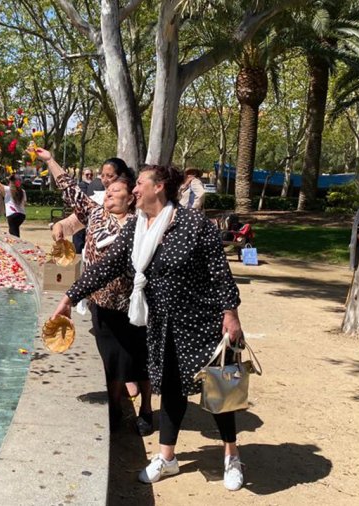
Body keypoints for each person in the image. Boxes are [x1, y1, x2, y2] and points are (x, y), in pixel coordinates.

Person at [51, 165, 247, 491]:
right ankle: (167, 457)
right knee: (171, 389)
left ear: (159, 188)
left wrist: (231, 314)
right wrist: (71, 298)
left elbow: (220, 274)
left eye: (140, 183)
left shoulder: (193, 224)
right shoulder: (138, 228)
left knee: (218, 388)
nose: (134, 189)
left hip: (201, 320)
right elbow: (109, 265)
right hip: (162, 323)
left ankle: (231, 455)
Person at [36, 147, 153, 434]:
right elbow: (70, 189)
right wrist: (51, 160)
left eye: (115, 190)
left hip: (137, 304)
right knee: (111, 360)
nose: (108, 193)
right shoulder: (94, 213)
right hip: (101, 302)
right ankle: (114, 411)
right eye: (107, 189)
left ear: (131, 197)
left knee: (141, 361)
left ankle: (148, 410)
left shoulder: (142, 223)